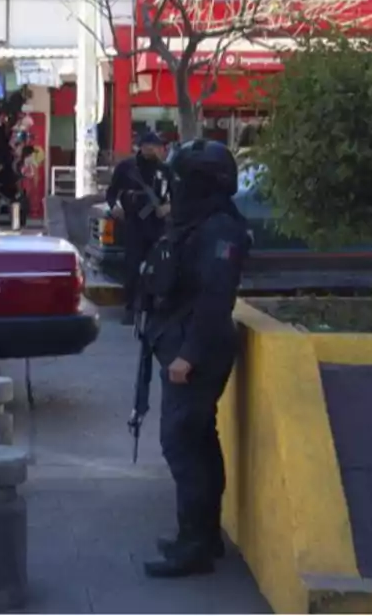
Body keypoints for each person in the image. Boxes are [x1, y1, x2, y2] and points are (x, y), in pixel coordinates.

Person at [138, 139, 251, 578]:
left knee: (183, 446)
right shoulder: (198, 223)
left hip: (196, 350)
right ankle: (203, 536)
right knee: (199, 442)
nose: (176, 189)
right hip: (181, 341)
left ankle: (194, 547)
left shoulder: (220, 230)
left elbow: (214, 298)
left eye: (183, 180)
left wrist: (188, 355)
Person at [106, 132, 172, 325]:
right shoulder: (127, 168)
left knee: (158, 266)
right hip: (134, 223)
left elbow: (176, 196)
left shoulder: (165, 170)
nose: (152, 149)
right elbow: (111, 193)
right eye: (148, 145)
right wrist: (115, 207)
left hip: (157, 224)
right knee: (132, 266)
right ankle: (129, 307)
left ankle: (152, 306)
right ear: (140, 147)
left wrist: (168, 208)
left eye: (156, 146)